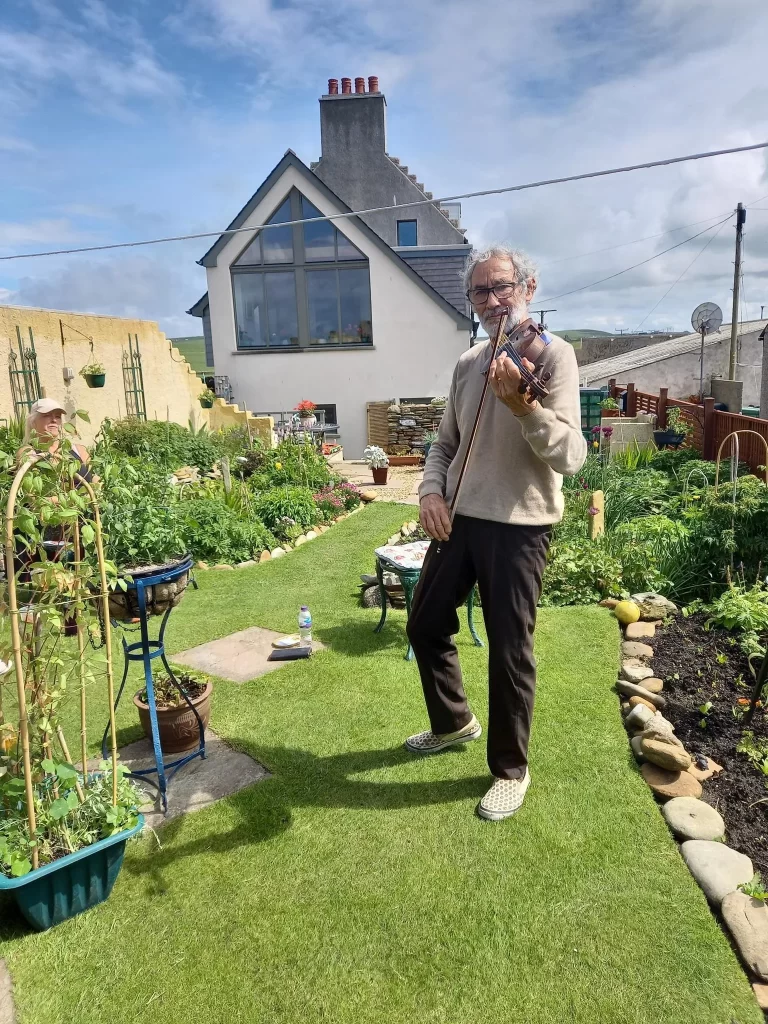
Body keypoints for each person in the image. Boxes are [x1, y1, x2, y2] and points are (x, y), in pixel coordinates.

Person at [404, 245, 587, 821]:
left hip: (520, 525)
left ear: (527, 288)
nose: (491, 300)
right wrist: (430, 493)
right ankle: (454, 721)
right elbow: (445, 444)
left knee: (509, 651)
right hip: (459, 517)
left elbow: (572, 455)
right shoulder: (469, 363)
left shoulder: (553, 355)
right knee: (425, 623)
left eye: (501, 286)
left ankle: (511, 770)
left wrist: (525, 409)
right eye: (479, 291)